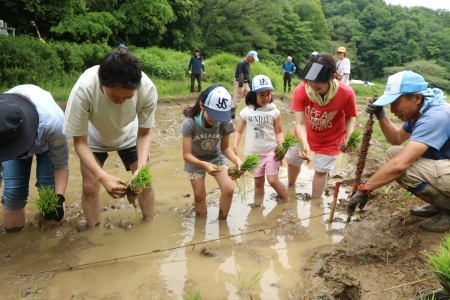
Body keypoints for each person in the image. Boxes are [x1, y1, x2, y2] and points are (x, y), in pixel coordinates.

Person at [347, 71, 450, 233]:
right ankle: (441, 205)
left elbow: (399, 165)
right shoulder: (420, 112)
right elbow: (396, 138)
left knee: (402, 166)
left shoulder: (436, 116)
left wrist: (364, 188)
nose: (393, 110)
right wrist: (381, 114)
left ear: (417, 98)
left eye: (396, 103)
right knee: (394, 152)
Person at [63, 51, 157, 228]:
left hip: (130, 135)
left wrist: (141, 168)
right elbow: (79, 142)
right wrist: (102, 177)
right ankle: (94, 232)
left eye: (128, 97)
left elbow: (144, 134)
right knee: (89, 187)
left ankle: (149, 225)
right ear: (100, 79)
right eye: (114, 96)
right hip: (94, 139)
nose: (120, 102)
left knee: (144, 182)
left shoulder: (147, 88)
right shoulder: (83, 89)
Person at [285, 53, 357, 197]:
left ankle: (315, 203)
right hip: (305, 132)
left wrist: (348, 137)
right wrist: (304, 143)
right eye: (310, 80)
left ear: (332, 77)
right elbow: (299, 123)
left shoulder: (346, 93)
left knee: (321, 170)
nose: (313, 84)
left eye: (319, 81)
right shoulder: (302, 90)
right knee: (292, 160)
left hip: (331, 137)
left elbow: (350, 116)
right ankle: (290, 187)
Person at [0, 85, 68, 233]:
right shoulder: (3, 133)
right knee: (13, 193)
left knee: (49, 191)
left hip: (47, 141)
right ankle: (16, 238)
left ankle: (53, 241)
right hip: (6, 137)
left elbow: (61, 164)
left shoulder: (53, 123)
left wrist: (60, 197)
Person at [180, 85, 242, 220]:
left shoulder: (224, 123)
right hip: (195, 160)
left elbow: (225, 148)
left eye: (220, 116)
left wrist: (237, 161)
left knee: (229, 189)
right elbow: (186, 155)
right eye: (213, 115)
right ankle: (201, 223)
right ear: (202, 105)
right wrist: (203, 164)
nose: (215, 119)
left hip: (216, 157)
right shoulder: (190, 123)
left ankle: (222, 222)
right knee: (199, 195)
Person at [233, 75, 290, 202]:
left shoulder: (274, 112)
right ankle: (258, 205)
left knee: (272, 180)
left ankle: (286, 201)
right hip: (255, 154)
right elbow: (239, 131)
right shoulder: (246, 112)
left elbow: (279, 132)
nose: (266, 98)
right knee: (258, 182)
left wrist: (282, 145)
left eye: (268, 94)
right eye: (262, 95)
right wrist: (235, 145)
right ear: (253, 95)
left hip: (271, 152)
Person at [231, 50, 259, 119]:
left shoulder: (248, 63)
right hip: (239, 82)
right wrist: (241, 86)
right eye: (253, 59)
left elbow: (247, 74)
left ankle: (249, 112)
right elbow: (240, 74)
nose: (254, 61)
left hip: (246, 83)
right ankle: (231, 116)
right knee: (236, 98)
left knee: (250, 96)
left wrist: (249, 83)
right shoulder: (241, 63)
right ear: (249, 57)